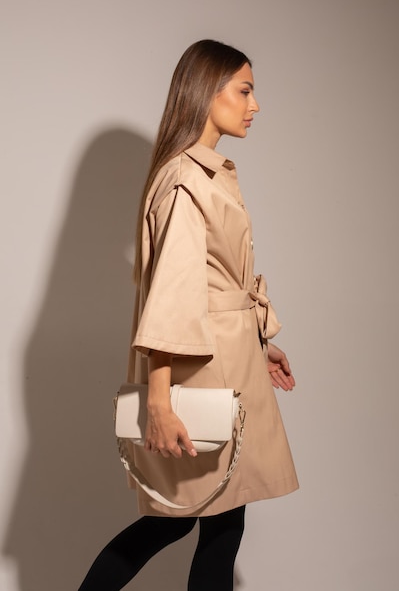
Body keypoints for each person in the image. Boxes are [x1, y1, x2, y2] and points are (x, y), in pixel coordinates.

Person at [78, 39, 298, 591]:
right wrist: (157, 402)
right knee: (189, 522)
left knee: (212, 523)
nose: (255, 105)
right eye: (244, 90)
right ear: (207, 93)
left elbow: (218, 280)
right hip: (204, 372)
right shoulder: (184, 181)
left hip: (230, 361)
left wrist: (259, 340)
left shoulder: (207, 173)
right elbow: (172, 299)